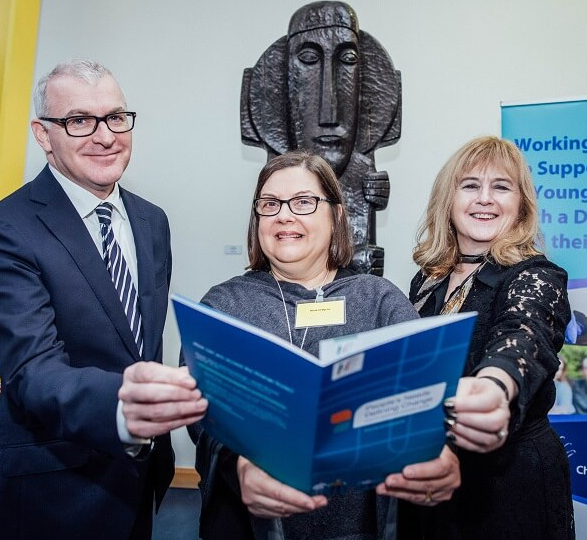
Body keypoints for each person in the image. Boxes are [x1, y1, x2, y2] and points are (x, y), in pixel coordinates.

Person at [0, 60, 207, 540]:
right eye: (80, 120)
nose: (105, 136)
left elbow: (132, 339)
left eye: (116, 117)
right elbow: (33, 369)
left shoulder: (151, 221)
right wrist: (123, 408)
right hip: (51, 485)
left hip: (139, 473)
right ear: (43, 134)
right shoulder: (2, 229)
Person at [186, 150, 461, 540]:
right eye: (270, 204)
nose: (284, 215)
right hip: (249, 524)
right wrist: (238, 465)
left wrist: (439, 449)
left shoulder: (378, 299)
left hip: (359, 526)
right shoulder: (223, 305)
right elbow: (201, 413)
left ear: (336, 215)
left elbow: (427, 394)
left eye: (303, 202)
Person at [400, 136, 574, 539]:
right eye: (470, 185)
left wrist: (494, 387)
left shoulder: (536, 276)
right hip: (433, 474)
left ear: (521, 205)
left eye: (501, 187)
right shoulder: (428, 279)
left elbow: (523, 337)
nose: (485, 199)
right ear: (448, 197)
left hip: (508, 485)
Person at [241, 1, 402, 274]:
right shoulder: (233, 299)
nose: (330, 113)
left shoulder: (381, 300)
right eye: (308, 59)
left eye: (348, 60)